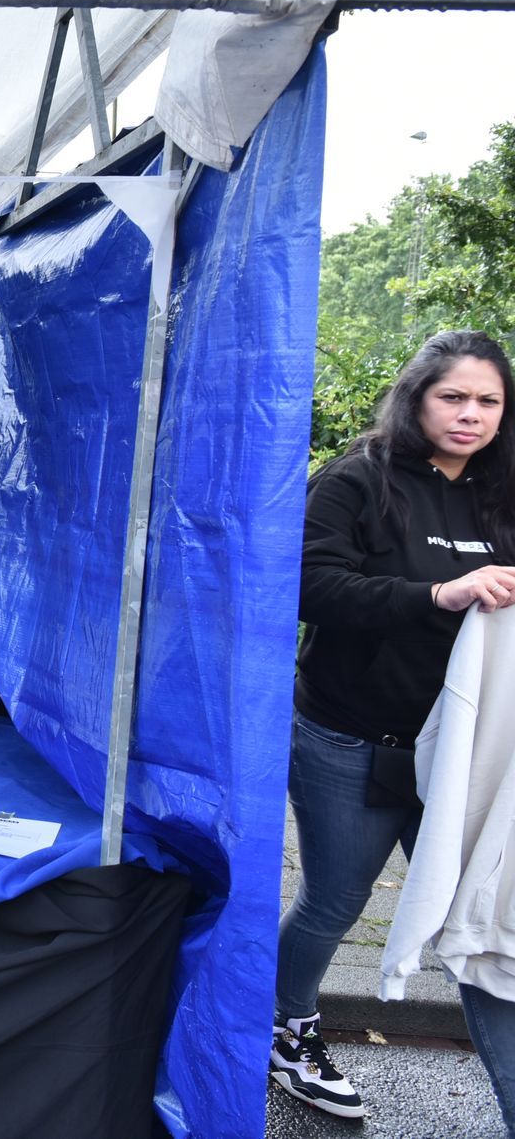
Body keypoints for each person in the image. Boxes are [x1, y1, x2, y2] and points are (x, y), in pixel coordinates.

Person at [274, 330, 515, 1122]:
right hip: (352, 739)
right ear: (416, 397)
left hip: (470, 756)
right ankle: (288, 1028)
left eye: (487, 400)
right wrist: (438, 595)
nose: (470, 415)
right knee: (336, 898)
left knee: (469, 920)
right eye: (453, 397)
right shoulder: (355, 481)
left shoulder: (503, 490)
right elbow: (309, 587)